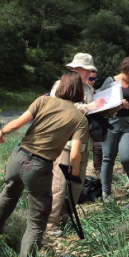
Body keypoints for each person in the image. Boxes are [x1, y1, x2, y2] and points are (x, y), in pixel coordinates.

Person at [0, 71, 88, 257]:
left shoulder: (43, 101)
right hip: (39, 167)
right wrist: (74, 170)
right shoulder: (79, 119)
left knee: (8, 193)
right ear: (79, 92)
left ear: (60, 87)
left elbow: (17, 123)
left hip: (18, 157)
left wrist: (2, 132)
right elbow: (75, 154)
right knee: (36, 222)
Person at [47, 53, 108, 234]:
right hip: (65, 144)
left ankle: (66, 218)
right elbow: (59, 108)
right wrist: (91, 107)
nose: (89, 73)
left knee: (76, 183)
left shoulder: (88, 89)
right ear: (76, 69)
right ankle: (51, 224)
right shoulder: (61, 85)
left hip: (84, 143)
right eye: (86, 70)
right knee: (59, 184)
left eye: (90, 70)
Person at [99, 57, 129, 200]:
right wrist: (119, 104)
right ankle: (106, 193)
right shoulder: (110, 82)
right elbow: (100, 102)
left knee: (127, 157)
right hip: (110, 124)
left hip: (128, 125)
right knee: (108, 158)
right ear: (124, 69)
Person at [89, 71, 103, 176]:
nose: (92, 81)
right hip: (84, 122)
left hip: (95, 122)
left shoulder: (94, 91)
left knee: (98, 147)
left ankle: (98, 171)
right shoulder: (79, 89)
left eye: (94, 79)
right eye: (90, 79)